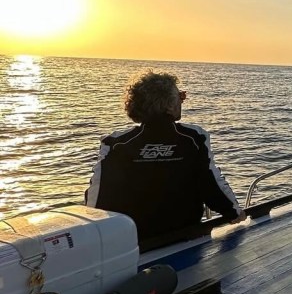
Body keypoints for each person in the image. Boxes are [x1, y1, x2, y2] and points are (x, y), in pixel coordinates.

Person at [86, 70, 244, 241]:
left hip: (134, 242)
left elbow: (98, 197)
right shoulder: (193, 138)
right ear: (169, 105)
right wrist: (233, 212)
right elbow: (210, 183)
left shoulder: (115, 143)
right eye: (181, 96)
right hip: (185, 236)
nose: (182, 101)